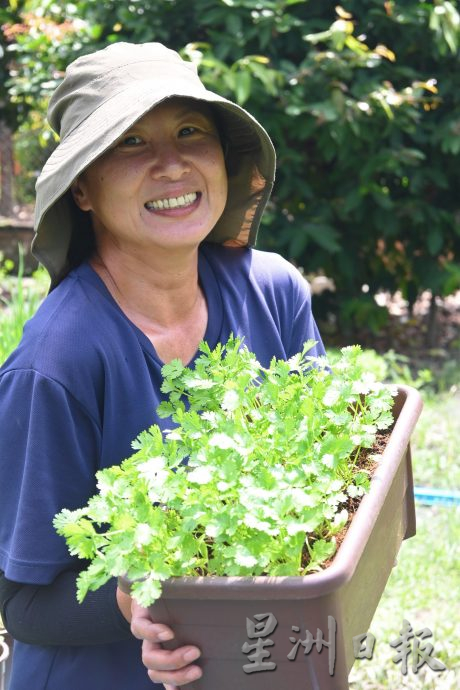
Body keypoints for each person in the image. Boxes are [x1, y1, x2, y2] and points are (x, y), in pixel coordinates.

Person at [0, 42, 326, 690]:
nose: (171, 164)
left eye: (189, 131)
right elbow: (22, 605)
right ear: (84, 189)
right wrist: (130, 599)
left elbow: (327, 483)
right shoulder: (56, 365)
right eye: (130, 142)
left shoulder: (274, 292)